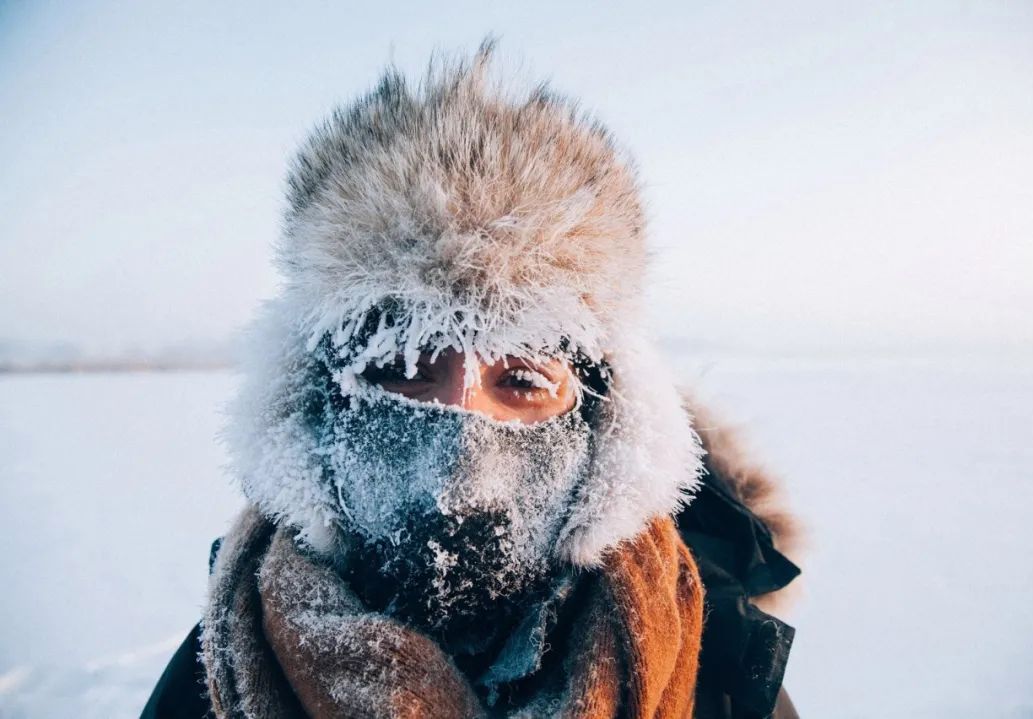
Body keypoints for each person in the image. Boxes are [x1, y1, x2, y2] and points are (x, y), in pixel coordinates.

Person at [142, 40, 802, 719]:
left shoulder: (718, 670)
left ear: (602, 424)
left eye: (522, 380)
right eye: (403, 369)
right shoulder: (222, 670)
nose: (462, 474)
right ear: (320, 405)